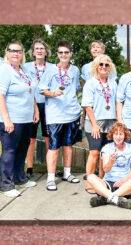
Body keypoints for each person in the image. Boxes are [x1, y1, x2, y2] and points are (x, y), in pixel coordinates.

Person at [39, 40, 81, 191]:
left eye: (66, 52)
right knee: (54, 147)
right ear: (57, 54)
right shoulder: (50, 70)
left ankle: (67, 173)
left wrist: (75, 106)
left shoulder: (75, 70)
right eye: (61, 52)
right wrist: (53, 93)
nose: (63, 55)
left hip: (72, 114)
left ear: (70, 54)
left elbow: (76, 89)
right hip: (55, 115)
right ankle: (50, 178)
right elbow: (42, 90)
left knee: (69, 145)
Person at [0, 41, 38, 198]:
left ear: (23, 54)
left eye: (19, 51)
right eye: (12, 51)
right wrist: (6, 119)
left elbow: (31, 91)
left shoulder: (25, 70)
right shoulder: (4, 70)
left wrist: (35, 110)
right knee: (9, 150)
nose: (16, 53)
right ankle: (6, 184)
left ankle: (19, 178)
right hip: (12, 119)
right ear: (7, 53)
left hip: (26, 118)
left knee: (22, 149)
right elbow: (0, 95)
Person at [82, 54, 117, 194]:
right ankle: (90, 182)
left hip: (110, 122)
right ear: (96, 66)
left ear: (110, 67)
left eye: (106, 65)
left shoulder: (113, 83)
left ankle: (101, 181)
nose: (103, 67)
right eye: (101, 64)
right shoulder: (91, 83)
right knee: (95, 152)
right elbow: (87, 106)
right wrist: (95, 124)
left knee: (105, 153)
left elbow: (116, 102)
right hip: (94, 122)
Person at [87, 122, 131, 209]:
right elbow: (106, 170)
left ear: (125, 135)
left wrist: (123, 180)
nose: (118, 137)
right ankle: (116, 199)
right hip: (107, 184)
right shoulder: (106, 148)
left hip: (124, 186)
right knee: (91, 177)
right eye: (116, 134)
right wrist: (111, 160)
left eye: (121, 134)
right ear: (112, 135)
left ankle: (106, 198)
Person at [23, 39, 53, 178]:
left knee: (48, 138)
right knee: (31, 139)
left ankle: (49, 168)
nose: (39, 51)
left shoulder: (53, 67)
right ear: (33, 52)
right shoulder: (26, 66)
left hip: (49, 105)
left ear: (46, 51)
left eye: (42, 48)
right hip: (32, 105)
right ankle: (29, 167)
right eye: (37, 49)